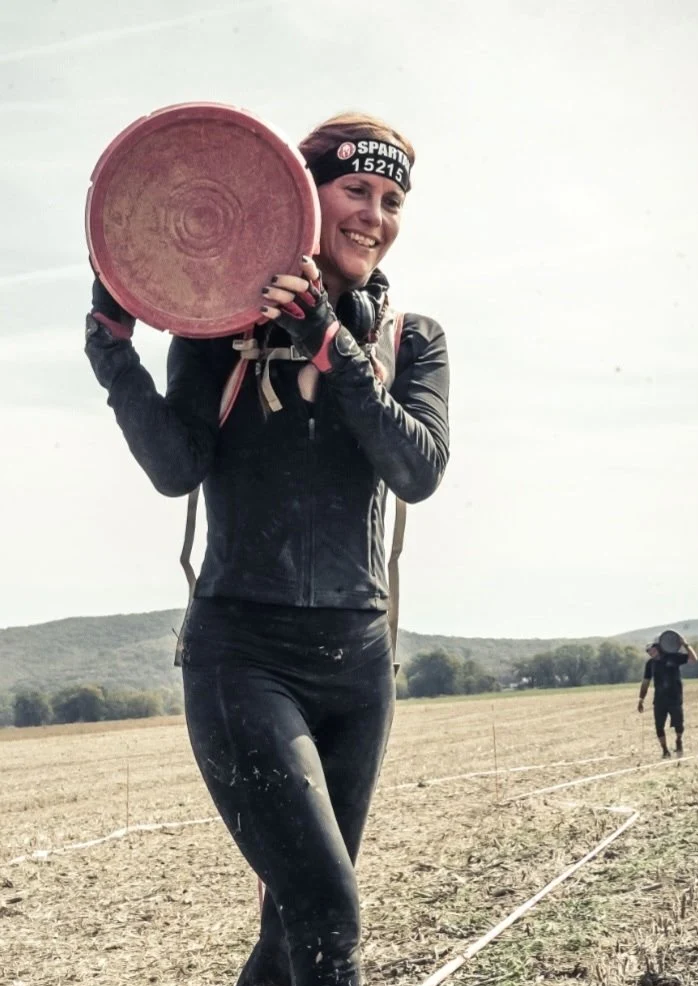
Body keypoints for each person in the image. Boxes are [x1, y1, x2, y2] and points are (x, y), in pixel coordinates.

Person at [84, 112, 450, 986]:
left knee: (292, 933)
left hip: (359, 663)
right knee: (327, 913)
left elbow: (418, 469)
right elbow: (176, 470)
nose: (375, 214)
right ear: (297, 196)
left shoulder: (411, 340)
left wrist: (334, 343)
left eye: (392, 199)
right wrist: (111, 354)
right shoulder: (215, 333)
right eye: (355, 189)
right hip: (242, 657)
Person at [637, 633, 698, 758]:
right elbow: (645, 682)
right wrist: (641, 699)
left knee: (679, 725)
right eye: (648, 651)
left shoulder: (674, 657)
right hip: (659, 700)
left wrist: (685, 644)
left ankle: (678, 741)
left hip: (675, 698)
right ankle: (665, 750)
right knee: (659, 726)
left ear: (658, 647)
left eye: (652, 649)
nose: (651, 652)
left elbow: (693, 659)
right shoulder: (650, 664)